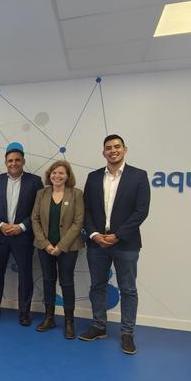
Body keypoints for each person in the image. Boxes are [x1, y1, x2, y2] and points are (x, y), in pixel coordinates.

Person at [80, 134, 150, 354]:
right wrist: (93, 234)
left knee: (128, 289)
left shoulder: (138, 176)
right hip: (97, 243)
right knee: (97, 286)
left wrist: (118, 235)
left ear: (125, 150)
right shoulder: (92, 178)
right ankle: (99, 326)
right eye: (108, 148)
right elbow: (87, 210)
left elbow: (141, 211)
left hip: (126, 243)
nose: (113, 151)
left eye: (117, 147)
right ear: (103, 153)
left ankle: (127, 333)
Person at [0, 149, 44, 326]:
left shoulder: (35, 182)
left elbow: (38, 210)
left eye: (17, 160)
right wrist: (1, 225)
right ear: (5, 162)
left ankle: (24, 312)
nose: (13, 163)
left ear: (23, 161)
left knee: (25, 275)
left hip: (23, 236)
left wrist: (21, 227)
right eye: (10, 160)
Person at [31, 160, 84, 339]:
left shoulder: (76, 194)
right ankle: (49, 317)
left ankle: (69, 321)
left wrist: (61, 246)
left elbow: (78, 223)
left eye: (61, 173)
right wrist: (45, 243)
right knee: (48, 280)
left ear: (68, 176)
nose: (57, 176)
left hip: (68, 248)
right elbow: (35, 219)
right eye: (54, 173)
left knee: (67, 282)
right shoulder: (42, 193)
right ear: (49, 175)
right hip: (44, 246)